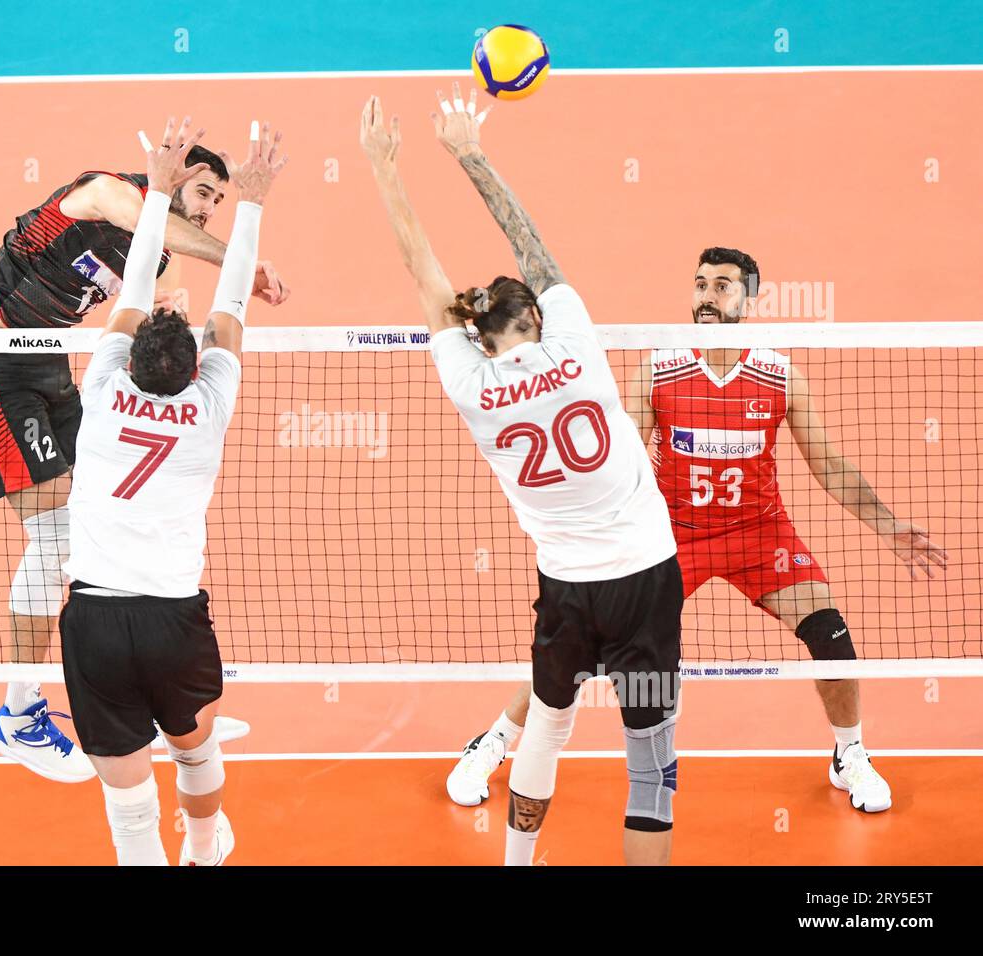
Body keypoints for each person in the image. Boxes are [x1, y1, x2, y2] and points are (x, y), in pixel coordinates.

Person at [450, 246, 948, 815]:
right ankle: (491, 743)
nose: (708, 295)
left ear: (749, 299)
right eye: (700, 284)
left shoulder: (779, 375)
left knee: (831, 635)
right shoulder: (659, 370)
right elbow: (616, 457)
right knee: (581, 653)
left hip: (760, 534)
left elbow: (829, 465)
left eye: (723, 285)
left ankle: (850, 755)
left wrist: (888, 525)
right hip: (668, 539)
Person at [362, 85, 683, 865]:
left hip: (568, 593)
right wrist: (469, 153)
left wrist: (385, 170)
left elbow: (424, 273)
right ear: (535, 318)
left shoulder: (469, 385)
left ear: (478, 335)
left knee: (548, 722)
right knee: (649, 756)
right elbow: (531, 243)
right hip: (645, 578)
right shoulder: (574, 344)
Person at [0, 121, 287, 782]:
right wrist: (239, 259)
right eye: (206, 189)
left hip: (47, 369)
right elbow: (145, 218)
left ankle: (156, 698)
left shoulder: (152, 257)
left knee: (86, 526)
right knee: (54, 538)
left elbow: (140, 311)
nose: (210, 206)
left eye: (219, 200)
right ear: (171, 176)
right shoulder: (103, 192)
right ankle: (17, 717)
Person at [59, 117, 286, 864]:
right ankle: (202, 845)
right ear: (195, 368)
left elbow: (136, 281)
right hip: (172, 622)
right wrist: (250, 206)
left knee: (127, 803)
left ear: (127, 361)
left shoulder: (99, 385)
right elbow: (233, 309)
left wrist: (155, 189)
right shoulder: (209, 403)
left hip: (94, 620)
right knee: (194, 751)